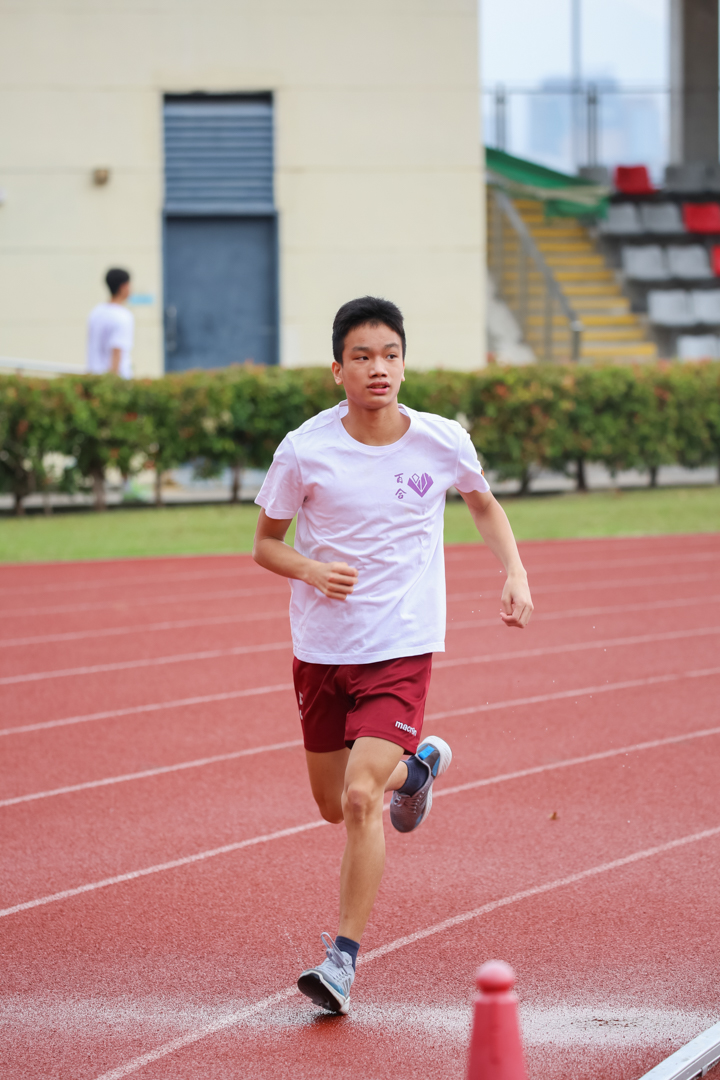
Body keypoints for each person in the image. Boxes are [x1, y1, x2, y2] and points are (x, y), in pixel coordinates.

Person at [252, 296, 533, 1016]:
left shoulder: (441, 440)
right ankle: (419, 771)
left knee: (358, 798)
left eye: (390, 355)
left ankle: (340, 963)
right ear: (337, 370)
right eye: (363, 357)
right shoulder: (304, 449)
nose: (378, 368)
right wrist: (311, 569)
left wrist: (514, 571)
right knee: (329, 803)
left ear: (404, 364)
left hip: (402, 644)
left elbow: (482, 503)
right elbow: (266, 544)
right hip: (322, 649)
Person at [86, 268, 134, 378]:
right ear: (123, 287)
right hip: (116, 380)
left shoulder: (96, 312)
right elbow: (117, 351)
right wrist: (113, 382)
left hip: (94, 376)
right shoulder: (123, 316)